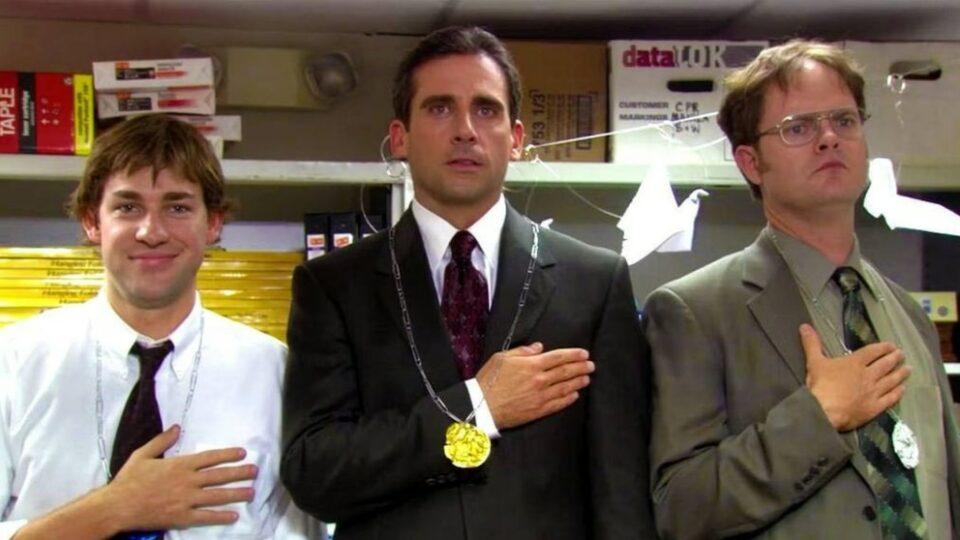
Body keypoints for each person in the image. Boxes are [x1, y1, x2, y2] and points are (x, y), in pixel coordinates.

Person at [281, 26, 653, 539]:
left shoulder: (594, 282)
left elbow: (622, 488)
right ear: (400, 138)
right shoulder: (335, 286)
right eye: (439, 108)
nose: (465, 130)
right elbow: (315, 471)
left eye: (486, 109)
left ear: (516, 139)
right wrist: (478, 408)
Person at [644, 40, 960, 538]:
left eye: (844, 120)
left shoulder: (909, 314)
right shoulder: (694, 311)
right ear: (751, 162)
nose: (829, 138)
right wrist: (817, 417)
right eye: (799, 128)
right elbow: (682, 508)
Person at [0, 114, 320, 539]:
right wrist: (112, 509)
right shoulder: (14, 361)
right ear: (92, 221)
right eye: (128, 207)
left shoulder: (274, 371)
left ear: (213, 223)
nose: (152, 232)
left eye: (177, 207)